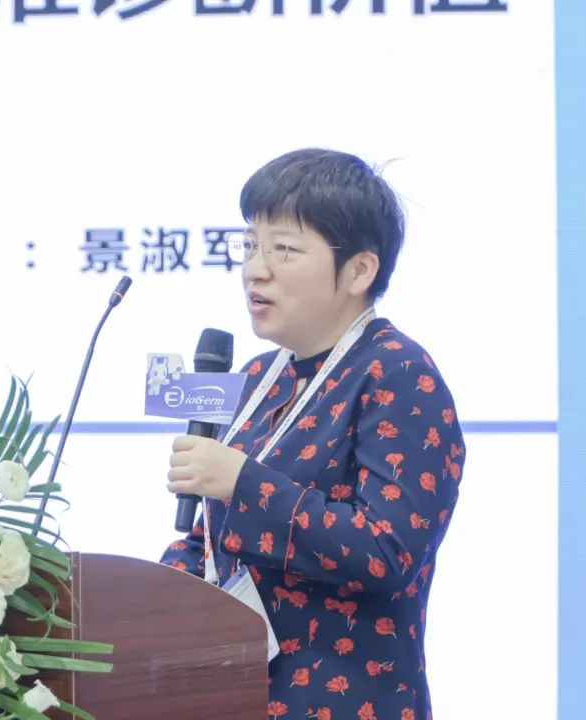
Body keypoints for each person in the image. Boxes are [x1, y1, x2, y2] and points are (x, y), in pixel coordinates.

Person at [161, 148, 465, 720]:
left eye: (284, 249)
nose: (255, 270)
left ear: (359, 270)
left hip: (344, 701)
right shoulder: (258, 376)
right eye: (250, 246)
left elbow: (388, 551)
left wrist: (244, 483)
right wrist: (152, 591)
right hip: (237, 698)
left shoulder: (398, 373)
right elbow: (213, 541)